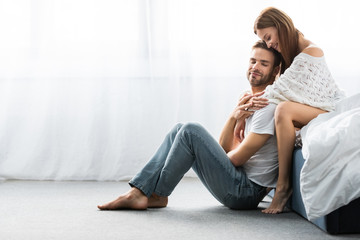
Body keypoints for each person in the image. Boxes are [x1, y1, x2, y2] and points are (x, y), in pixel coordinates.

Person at [97, 41, 282, 211]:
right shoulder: (249, 100)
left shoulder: (266, 106)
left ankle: (158, 195)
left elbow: (234, 159)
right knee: (179, 129)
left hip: (245, 192)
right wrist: (234, 117)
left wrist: (208, 154)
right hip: (238, 182)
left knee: (190, 131)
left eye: (263, 64)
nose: (255, 67)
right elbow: (225, 148)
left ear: (275, 71)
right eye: (252, 61)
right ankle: (138, 192)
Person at [253, 7, 345, 214]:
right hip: (315, 110)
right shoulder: (289, 52)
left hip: (329, 110)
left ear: (280, 25)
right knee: (275, 111)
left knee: (283, 110)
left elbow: (279, 91)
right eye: (265, 41)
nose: (269, 44)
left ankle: (283, 186)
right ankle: (264, 178)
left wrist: (244, 110)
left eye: (268, 37)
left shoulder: (311, 51)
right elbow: (280, 91)